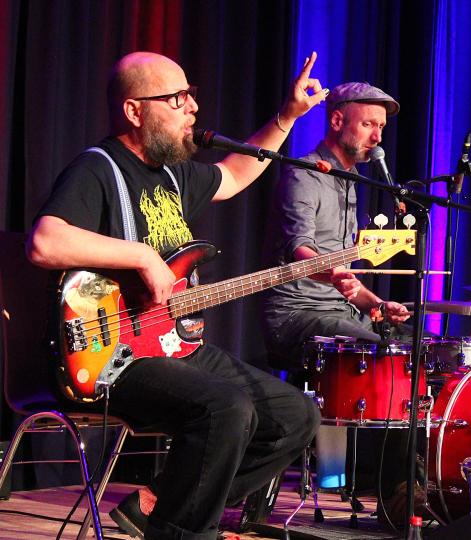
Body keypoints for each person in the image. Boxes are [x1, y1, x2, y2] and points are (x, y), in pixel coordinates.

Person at [27, 51, 327, 539]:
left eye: (189, 95)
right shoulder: (98, 168)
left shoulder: (173, 173)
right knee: (226, 408)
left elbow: (234, 175)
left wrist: (286, 117)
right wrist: (142, 256)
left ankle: (161, 506)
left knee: (296, 415)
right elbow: (44, 241)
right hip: (111, 356)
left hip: (172, 345)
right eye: (176, 98)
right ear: (134, 110)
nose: (192, 107)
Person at [261, 81, 410, 362]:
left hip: (341, 311)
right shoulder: (303, 177)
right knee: (387, 356)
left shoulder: (348, 181)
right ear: (337, 120)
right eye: (368, 124)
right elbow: (300, 251)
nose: (377, 137)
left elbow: (345, 280)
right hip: (297, 314)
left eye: (381, 127)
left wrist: (377, 304)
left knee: (423, 346)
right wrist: (333, 275)